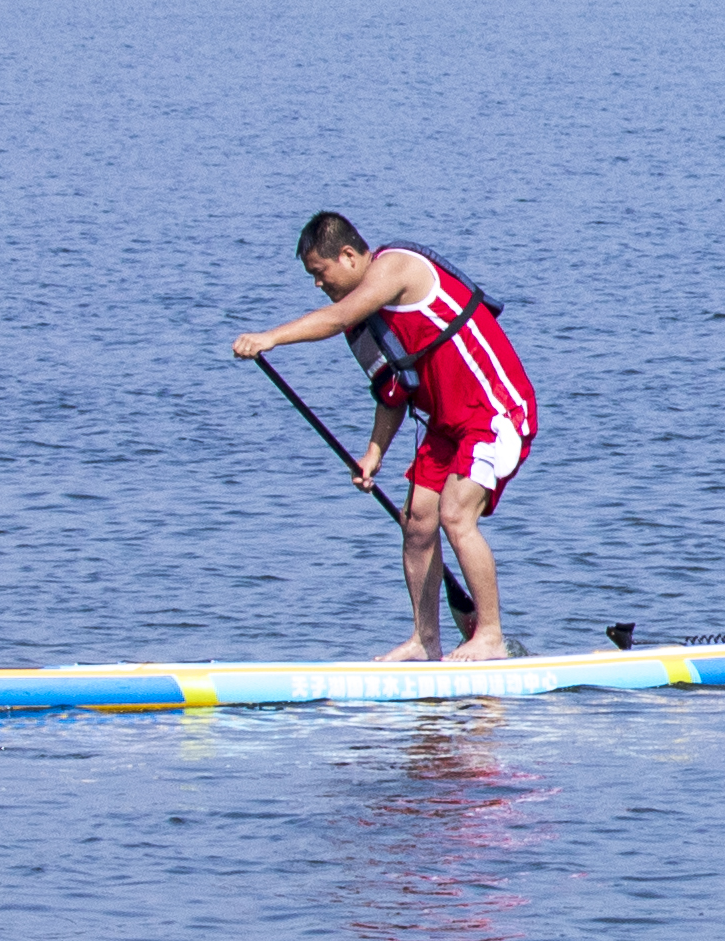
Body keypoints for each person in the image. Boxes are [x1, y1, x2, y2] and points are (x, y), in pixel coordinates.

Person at [228, 212, 537, 664]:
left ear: (349, 255)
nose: (318, 284)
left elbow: (336, 317)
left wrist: (270, 338)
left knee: (454, 515)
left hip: (495, 411)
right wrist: (373, 453)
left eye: (320, 272)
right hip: (443, 425)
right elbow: (393, 391)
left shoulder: (397, 268)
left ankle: (489, 633)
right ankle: (424, 640)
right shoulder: (366, 324)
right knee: (416, 524)